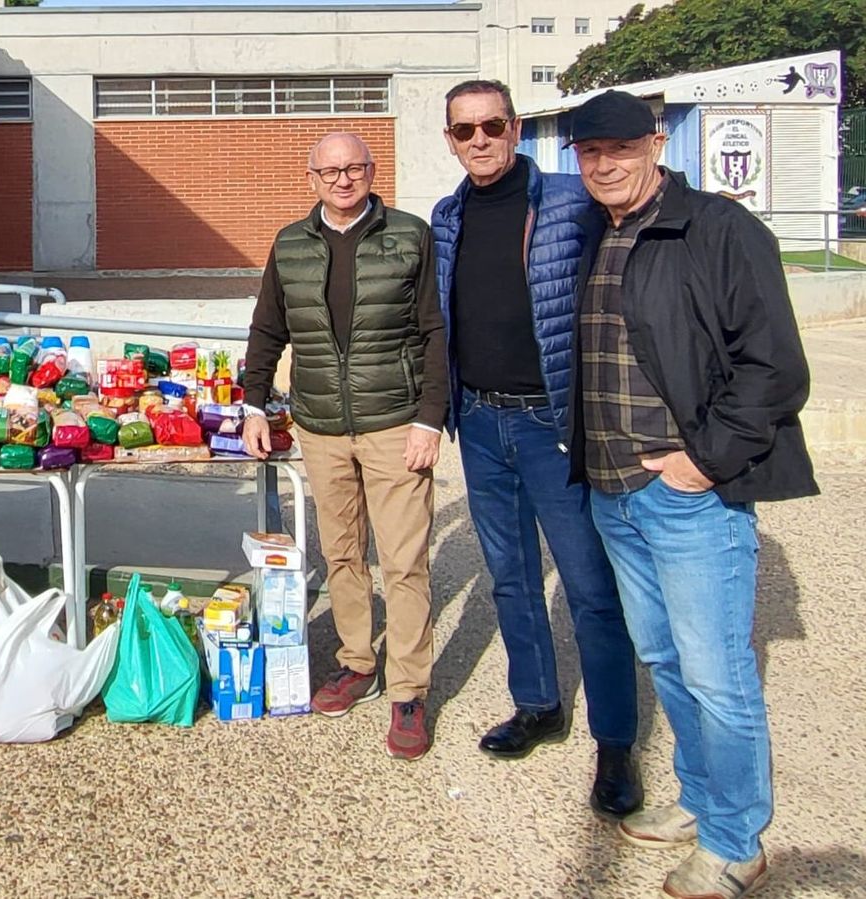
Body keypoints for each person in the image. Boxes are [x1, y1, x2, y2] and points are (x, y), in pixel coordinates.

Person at [568, 90, 817, 899]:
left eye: (620, 148)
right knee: (666, 657)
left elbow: (775, 367)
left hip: (686, 496)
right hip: (614, 493)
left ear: (655, 143)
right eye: (588, 151)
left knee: (717, 672)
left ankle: (738, 838)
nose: (603, 164)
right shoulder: (603, 235)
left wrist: (704, 462)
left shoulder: (718, 228)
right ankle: (704, 799)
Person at [429, 80, 642, 816]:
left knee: (589, 585)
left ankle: (615, 740)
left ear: (514, 127)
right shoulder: (447, 216)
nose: (480, 139)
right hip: (482, 424)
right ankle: (538, 704)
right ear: (450, 138)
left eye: (492, 124)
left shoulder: (569, 200)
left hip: (554, 423)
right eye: (465, 130)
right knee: (512, 577)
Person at [240, 132, 446, 761]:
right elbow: (268, 326)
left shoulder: (409, 235)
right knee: (342, 555)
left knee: (405, 561)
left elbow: (434, 328)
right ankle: (358, 661)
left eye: (353, 167)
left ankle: (408, 691)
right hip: (321, 426)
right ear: (311, 178)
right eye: (329, 170)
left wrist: (430, 419)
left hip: (394, 421)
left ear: (371, 171)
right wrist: (253, 404)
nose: (342, 179)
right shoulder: (290, 244)